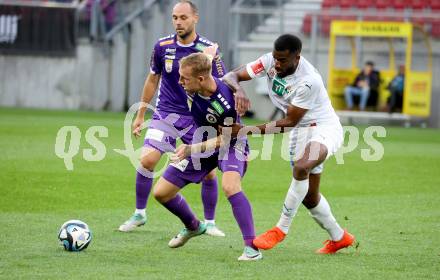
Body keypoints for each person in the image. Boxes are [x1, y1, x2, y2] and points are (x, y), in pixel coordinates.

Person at [222, 34, 355, 254]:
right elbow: (230, 75)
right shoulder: (269, 61)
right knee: (310, 197)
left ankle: (280, 229)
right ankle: (340, 237)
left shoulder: (309, 80)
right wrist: (240, 89)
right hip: (300, 131)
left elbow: (288, 123)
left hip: (323, 127)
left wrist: (245, 131)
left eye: (283, 60)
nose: (277, 64)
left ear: (297, 58)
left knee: (301, 166)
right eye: (276, 58)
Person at [118, 0, 240, 236]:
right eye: (175, 17)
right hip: (165, 113)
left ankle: (210, 222)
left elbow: (224, 81)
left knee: (209, 172)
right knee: (147, 161)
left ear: (195, 18)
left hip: (196, 118)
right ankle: (139, 213)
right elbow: (153, 78)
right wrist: (141, 113)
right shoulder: (162, 46)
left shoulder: (207, 50)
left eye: (183, 17)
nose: (178, 22)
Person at [152, 52, 261, 261]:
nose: (180, 82)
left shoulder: (227, 103)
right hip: (203, 139)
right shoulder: (196, 85)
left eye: (184, 78)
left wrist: (191, 148)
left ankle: (252, 248)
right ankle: (193, 227)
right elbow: (214, 68)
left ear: (200, 79)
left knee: (230, 187)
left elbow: (225, 140)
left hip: (231, 144)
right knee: (161, 193)